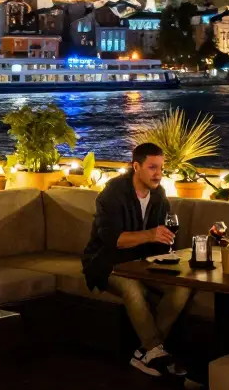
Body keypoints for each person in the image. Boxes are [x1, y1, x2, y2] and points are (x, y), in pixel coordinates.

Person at [81, 142, 191, 377]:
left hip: (143, 263)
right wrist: (151, 234)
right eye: (152, 167)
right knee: (132, 288)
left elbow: (162, 236)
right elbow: (113, 240)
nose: (158, 174)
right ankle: (153, 349)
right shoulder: (112, 194)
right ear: (136, 166)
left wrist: (168, 246)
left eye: (161, 168)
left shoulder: (159, 195)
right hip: (107, 263)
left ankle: (146, 353)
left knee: (182, 287)